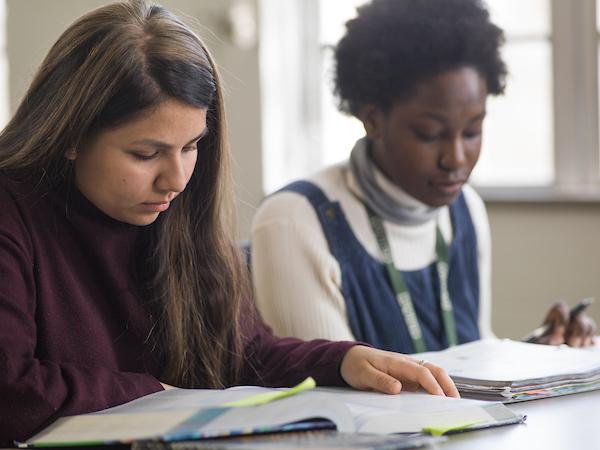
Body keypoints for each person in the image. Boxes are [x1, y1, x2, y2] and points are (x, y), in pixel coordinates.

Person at [0, 0, 460, 445]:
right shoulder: (11, 212)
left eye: (191, 146)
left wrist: (343, 360)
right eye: (146, 153)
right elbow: (11, 391)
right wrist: (154, 393)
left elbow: (241, 353)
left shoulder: (177, 211)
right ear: (70, 136)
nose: (176, 179)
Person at [251, 0, 596, 354]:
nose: (456, 158)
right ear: (372, 119)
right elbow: (331, 393)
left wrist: (542, 351)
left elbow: (472, 354)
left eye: (473, 131)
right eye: (430, 135)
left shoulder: (465, 210)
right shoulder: (295, 221)